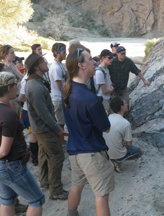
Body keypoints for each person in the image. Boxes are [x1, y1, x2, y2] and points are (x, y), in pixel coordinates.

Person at [62, 48, 114, 216]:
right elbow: (106, 127)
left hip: (74, 150)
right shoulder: (90, 98)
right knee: (101, 195)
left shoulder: (67, 91)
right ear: (81, 65)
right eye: (90, 59)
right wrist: (103, 114)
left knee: (77, 185)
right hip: (91, 153)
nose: (95, 61)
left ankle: (71, 213)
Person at [0, 72, 45, 216]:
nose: (18, 88)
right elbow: (3, 151)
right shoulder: (8, 114)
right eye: (16, 85)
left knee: (7, 200)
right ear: (8, 87)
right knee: (36, 200)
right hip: (11, 165)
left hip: (3, 166)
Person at [25, 53, 68, 200]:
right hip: (44, 129)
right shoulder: (35, 87)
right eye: (43, 61)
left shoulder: (35, 82)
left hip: (41, 128)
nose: (46, 63)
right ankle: (56, 190)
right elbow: (43, 113)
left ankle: (44, 181)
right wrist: (57, 129)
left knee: (44, 154)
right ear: (36, 67)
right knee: (57, 155)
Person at [103, 96, 143, 173]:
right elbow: (129, 143)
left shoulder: (108, 117)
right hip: (118, 154)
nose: (127, 104)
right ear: (121, 107)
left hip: (106, 153)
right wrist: (125, 141)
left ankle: (112, 160)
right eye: (124, 103)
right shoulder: (125, 123)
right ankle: (117, 160)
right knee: (139, 152)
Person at [49, 43, 67, 146]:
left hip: (62, 98)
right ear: (57, 53)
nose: (65, 54)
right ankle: (61, 142)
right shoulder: (56, 68)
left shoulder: (61, 65)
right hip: (59, 99)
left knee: (62, 121)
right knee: (60, 122)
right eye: (63, 52)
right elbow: (61, 87)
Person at [0, 45, 24, 116]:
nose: (14, 55)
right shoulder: (2, 67)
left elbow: (22, 78)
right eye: (12, 53)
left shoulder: (12, 65)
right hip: (11, 99)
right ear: (5, 55)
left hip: (17, 96)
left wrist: (13, 68)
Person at [94, 49, 114, 114]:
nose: (112, 60)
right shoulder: (99, 72)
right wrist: (112, 90)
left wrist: (111, 86)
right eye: (109, 58)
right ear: (103, 58)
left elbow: (109, 81)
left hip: (108, 98)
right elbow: (104, 91)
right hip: (102, 99)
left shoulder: (106, 69)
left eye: (112, 58)